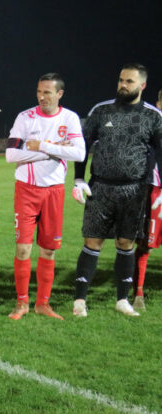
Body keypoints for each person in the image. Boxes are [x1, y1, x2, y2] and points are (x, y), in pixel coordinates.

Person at [72, 63, 162, 317]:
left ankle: (122, 300)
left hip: (135, 190)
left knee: (126, 242)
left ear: (142, 85)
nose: (123, 85)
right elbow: (83, 146)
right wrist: (79, 179)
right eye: (121, 80)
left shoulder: (153, 116)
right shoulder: (101, 111)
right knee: (92, 241)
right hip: (100, 187)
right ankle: (80, 300)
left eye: (129, 81)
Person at [5, 73, 85, 320]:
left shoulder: (69, 118)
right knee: (23, 249)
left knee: (49, 251)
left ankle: (43, 304)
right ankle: (21, 304)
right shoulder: (25, 117)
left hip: (54, 192)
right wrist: (54, 151)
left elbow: (80, 154)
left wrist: (42, 146)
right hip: (27, 190)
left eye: (48, 92)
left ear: (59, 94)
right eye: (39, 91)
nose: (42, 97)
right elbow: (11, 154)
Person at [132, 89, 162, 311]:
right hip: (153, 190)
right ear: (158, 104)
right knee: (145, 244)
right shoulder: (149, 127)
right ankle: (138, 293)